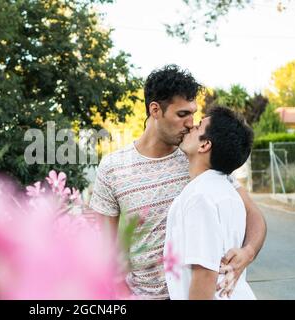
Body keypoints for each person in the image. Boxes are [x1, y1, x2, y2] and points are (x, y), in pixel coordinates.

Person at [89, 64, 266, 299]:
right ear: (155, 110)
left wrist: (249, 251)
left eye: (193, 113)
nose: (191, 123)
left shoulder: (201, 161)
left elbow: (254, 216)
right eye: (182, 114)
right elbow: (104, 248)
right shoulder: (113, 168)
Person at [164, 106, 256, 300]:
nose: (190, 127)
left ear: (205, 145)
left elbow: (205, 273)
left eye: (197, 127)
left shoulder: (200, 196)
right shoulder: (228, 191)